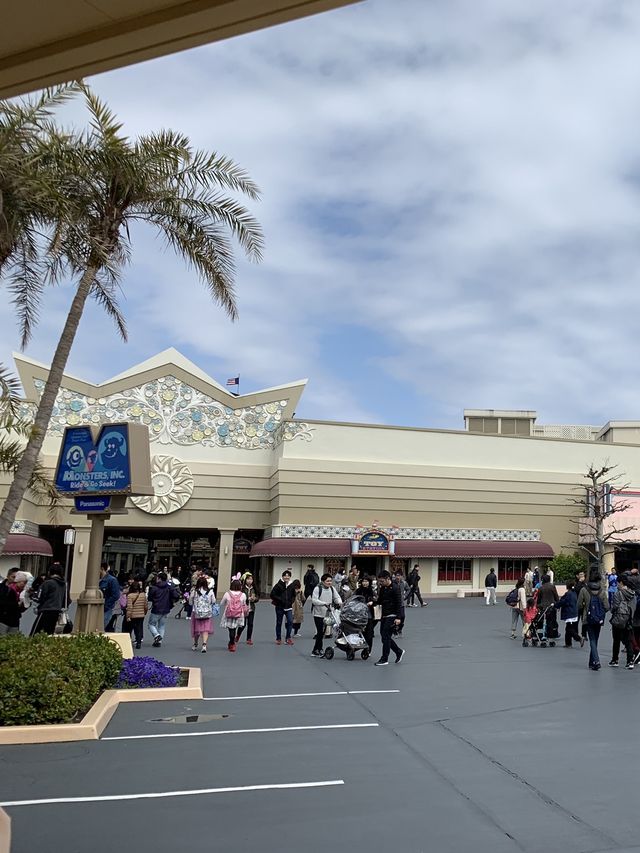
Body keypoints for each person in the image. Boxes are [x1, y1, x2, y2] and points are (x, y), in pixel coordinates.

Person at [374, 571, 404, 666]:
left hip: (393, 615)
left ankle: (384, 659)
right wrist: (373, 603)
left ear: (388, 579)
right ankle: (398, 651)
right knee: (384, 638)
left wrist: (398, 617)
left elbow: (399, 603)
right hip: (384, 615)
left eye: (382, 581)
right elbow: (380, 600)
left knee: (386, 636)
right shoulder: (383, 588)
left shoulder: (395, 588)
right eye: (379, 581)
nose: (380, 583)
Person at [578, 578, 609, 671]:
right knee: (595, 640)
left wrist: (585, 607)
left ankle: (596, 661)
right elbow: (607, 607)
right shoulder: (602, 591)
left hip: (588, 618)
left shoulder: (584, 590)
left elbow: (578, 605)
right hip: (599, 619)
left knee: (592, 640)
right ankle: (592, 662)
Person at [30, 564, 67, 635]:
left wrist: (32, 594)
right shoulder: (64, 585)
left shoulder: (47, 583)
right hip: (57, 611)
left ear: (49, 572)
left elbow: (38, 597)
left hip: (46, 610)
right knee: (49, 633)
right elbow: (67, 600)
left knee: (35, 633)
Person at [608, 573, 636, 669]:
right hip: (629, 620)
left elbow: (614, 607)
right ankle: (630, 661)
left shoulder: (618, 593)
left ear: (620, 582)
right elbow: (634, 607)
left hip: (619, 620)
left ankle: (615, 660)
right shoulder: (632, 594)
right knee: (628, 641)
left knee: (616, 640)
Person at [310, 573, 342, 657]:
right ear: (323, 581)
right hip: (318, 614)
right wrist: (324, 603)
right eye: (327, 581)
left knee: (322, 633)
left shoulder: (332, 588)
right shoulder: (317, 588)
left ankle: (315, 650)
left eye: (331, 581)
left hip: (328, 614)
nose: (329, 582)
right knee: (320, 632)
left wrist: (339, 602)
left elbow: (337, 597)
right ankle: (319, 649)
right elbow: (314, 600)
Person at [147, 571, 180, 647]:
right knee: (162, 625)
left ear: (159, 578)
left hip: (156, 608)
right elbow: (176, 595)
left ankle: (156, 635)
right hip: (166, 608)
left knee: (151, 624)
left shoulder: (154, 588)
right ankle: (159, 641)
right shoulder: (170, 586)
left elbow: (150, 598)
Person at [189, 575, 216, 653]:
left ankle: (195, 643)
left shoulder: (194, 591)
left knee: (196, 629)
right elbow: (213, 601)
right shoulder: (210, 592)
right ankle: (204, 645)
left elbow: (190, 602)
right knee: (205, 629)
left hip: (196, 613)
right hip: (207, 613)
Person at [220, 579, 247, 652]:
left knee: (231, 629)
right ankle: (232, 643)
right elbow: (244, 604)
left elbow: (221, 603)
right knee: (234, 629)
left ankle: (232, 642)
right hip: (239, 614)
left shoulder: (227, 594)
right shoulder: (243, 595)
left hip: (229, 614)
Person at [270, 570, 295, 645]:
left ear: (290, 577)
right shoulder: (278, 585)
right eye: (285, 576)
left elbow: (294, 595)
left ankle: (288, 638)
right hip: (280, 606)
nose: (286, 577)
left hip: (289, 607)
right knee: (279, 622)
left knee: (290, 621)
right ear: (282, 577)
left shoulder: (291, 585)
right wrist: (280, 600)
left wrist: (291, 601)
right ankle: (278, 638)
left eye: (288, 576)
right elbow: (272, 595)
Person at [0, 570, 29, 635]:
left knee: (12, 640)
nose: (15, 580)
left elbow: (21, 609)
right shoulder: (3, 588)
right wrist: (16, 604)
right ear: (7, 576)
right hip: (3, 620)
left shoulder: (22, 592)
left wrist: (25, 603)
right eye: (13, 577)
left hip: (14, 621)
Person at [555, 581, 582, 648]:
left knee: (569, 628)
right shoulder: (574, 593)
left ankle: (578, 638)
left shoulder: (568, 594)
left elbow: (563, 602)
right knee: (568, 628)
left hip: (569, 613)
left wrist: (556, 605)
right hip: (574, 612)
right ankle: (568, 643)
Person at [355, 575, 376, 653]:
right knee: (360, 632)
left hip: (369, 614)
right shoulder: (358, 591)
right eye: (363, 581)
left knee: (369, 633)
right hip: (359, 614)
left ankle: (368, 650)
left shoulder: (372, 591)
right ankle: (359, 647)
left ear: (369, 582)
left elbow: (377, 600)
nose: (365, 583)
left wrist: (372, 602)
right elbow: (354, 600)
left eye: (366, 581)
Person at [236, 573, 258, 645]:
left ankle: (249, 639)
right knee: (243, 624)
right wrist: (246, 599)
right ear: (245, 580)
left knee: (250, 624)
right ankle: (238, 635)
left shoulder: (254, 588)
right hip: (243, 609)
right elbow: (239, 597)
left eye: (251, 579)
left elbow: (257, 597)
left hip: (251, 608)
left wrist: (254, 599)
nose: (249, 581)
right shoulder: (242, 588)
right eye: (248, 579)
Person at [125, 580, 147, 649]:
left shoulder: (130, 596)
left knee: (129, 628)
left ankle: (128, 641)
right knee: (139, 629)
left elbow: (129, 607)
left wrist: (128, 616)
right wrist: (144, 612)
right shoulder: (143, 595)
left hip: (133, 615)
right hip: (141, 615)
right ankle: (139, 642)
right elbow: (145, 605)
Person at [99, 564, 121, 632]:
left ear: (102, 569)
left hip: (107, 608)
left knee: (101, 627)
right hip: (99, 607)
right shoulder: (99, 580)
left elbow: (116, 595)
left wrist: (107, 604)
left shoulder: (112, 580)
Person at [394, 572, 409, 637]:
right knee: (394, 618)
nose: (397, 577)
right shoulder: (392, 583)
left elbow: (408, 589)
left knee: (402, 617)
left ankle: (400, 629)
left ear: (402, 576)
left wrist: (405, 596)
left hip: (401, 603)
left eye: (399, 575)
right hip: (394, 603)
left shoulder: (404, 583)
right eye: (396, 576)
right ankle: (395, 632)